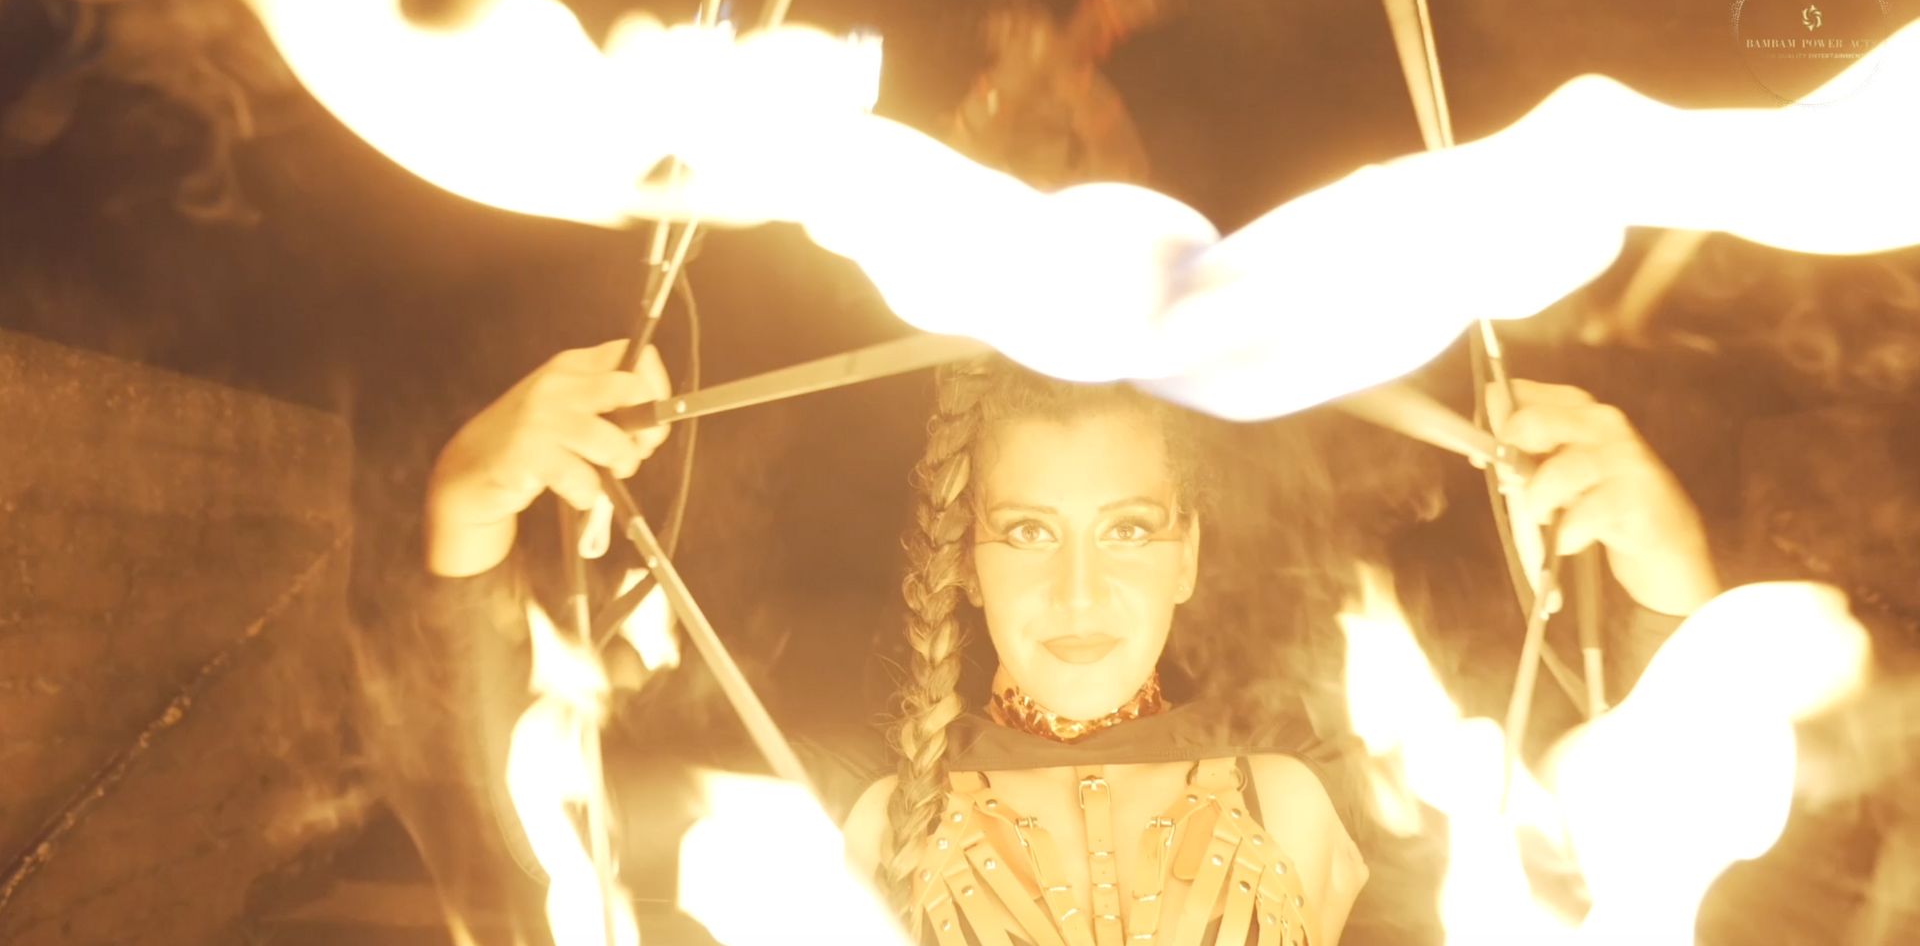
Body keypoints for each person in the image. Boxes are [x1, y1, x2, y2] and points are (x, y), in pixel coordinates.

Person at [424, 337, 1721, 945]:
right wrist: (470, 510)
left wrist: (1666, 561)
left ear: (1188, 548)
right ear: (971, 563)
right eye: (1031, 533)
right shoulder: (853, 812)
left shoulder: (1311, 792)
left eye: (1129, 528)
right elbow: (512, 838)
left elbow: (1666, 850)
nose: (1080, 586)